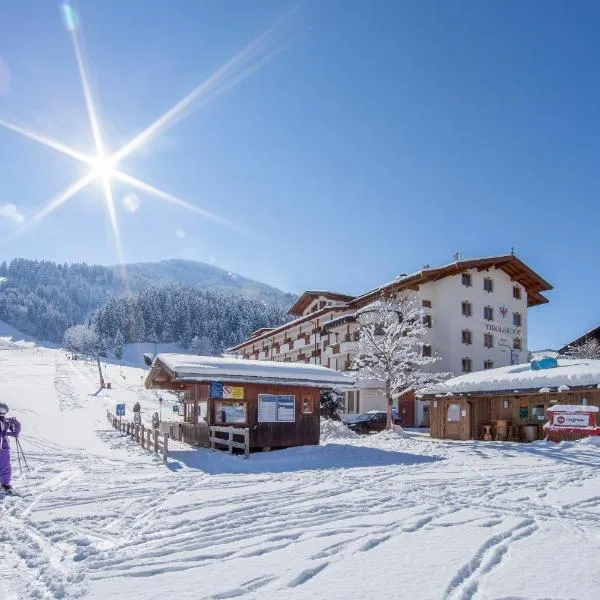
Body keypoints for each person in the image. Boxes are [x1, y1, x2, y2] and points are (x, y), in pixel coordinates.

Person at [0, 402, 21, 493]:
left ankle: (5, 484)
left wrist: (16, 424)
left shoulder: (6, 421)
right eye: (2, 411)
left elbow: (15, 433)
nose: (3, 414)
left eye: (5, 411)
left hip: (4, 447)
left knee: (5, 466)